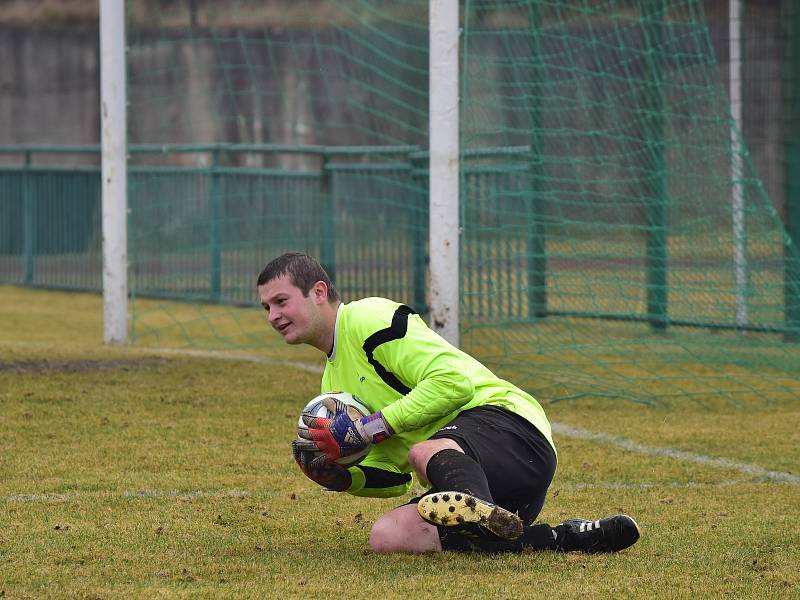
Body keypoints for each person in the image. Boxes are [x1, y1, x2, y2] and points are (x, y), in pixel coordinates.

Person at [257, 251, 640, 554]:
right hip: (486, 486)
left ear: (319, 292)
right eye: (266, 308)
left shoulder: (368, 318)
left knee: (425, 450)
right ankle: (557, 538)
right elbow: (394, 476)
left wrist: (370, 428)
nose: (273, 316)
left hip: (512, 428)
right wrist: (343, 477)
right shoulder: (333, 386)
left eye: (281, 301)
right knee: (388, 536)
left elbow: (453, 383)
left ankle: (472, 505)